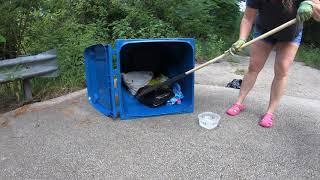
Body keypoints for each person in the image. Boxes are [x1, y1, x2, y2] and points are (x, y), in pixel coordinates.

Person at [226, 0, 317, 128]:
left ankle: (270, 113)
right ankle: (239, 103)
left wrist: (311, 5)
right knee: (254, 66)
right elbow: (247, 17)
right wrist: (241, 39)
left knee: (282, 69)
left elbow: (318, 15)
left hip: (290, 35)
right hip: (264, 31)